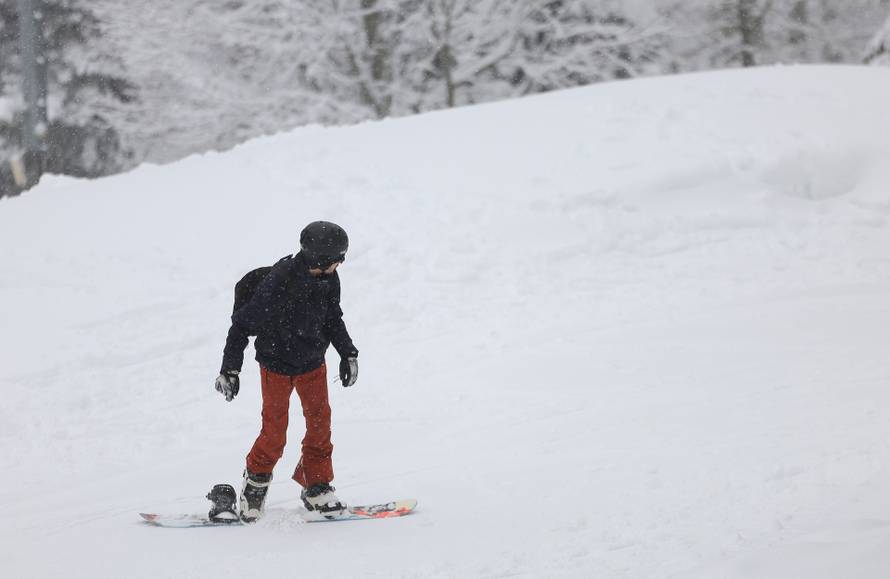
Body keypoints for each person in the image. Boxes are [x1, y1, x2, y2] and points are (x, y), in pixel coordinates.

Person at [215, 221, 359, 522]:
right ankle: (255, 485)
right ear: (319, 259)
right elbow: (241, 325)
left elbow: (333, 318)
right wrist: (230, 369)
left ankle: (316, 484)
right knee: (274, 431)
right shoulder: (278, 282)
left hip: (312, 364)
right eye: (336, 260)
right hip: (277, 366)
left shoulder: (330, 279)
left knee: (320, 425)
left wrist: (348, 353)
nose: (338, 265)